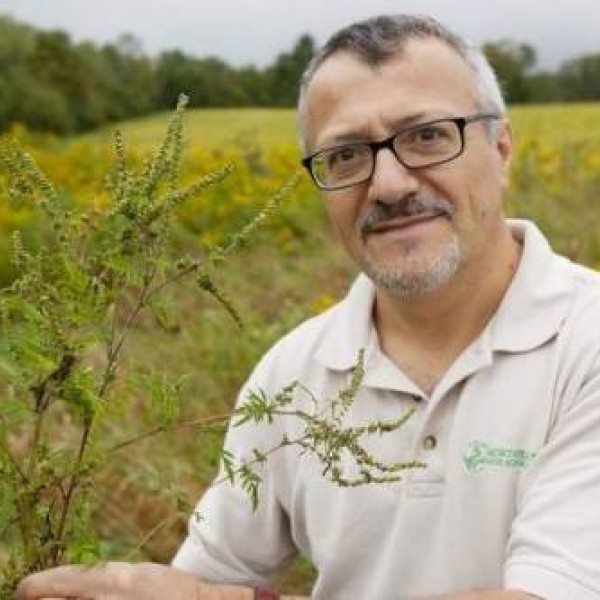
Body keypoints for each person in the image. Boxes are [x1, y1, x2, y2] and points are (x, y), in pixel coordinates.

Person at [16, 14, 600, 600]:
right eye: (346, 155)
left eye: (427, 135)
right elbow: (211, 576)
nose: (390, 184)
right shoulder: (294, 372)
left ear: (500, 149)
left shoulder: (586, 340)